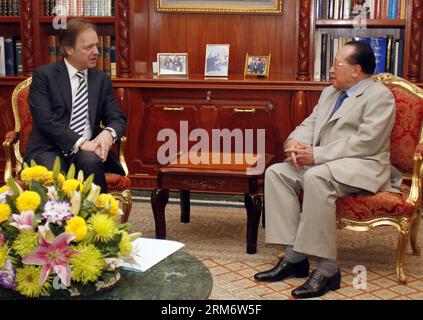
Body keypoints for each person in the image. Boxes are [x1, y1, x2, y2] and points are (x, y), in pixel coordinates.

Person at [253, 41, 401, 299]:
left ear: (356, 70)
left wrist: (316, 155)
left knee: (315, 176)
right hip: (326, 162)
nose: (331, 69)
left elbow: (366, 142)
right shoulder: (330, 93)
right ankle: (295, 257)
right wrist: (294, 144)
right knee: (278, 173)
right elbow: (308, 124)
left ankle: (328, 269)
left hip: (363, 165)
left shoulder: (380, 96)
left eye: (336, 63)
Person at [25, 18, 126, 192]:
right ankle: (57, 219)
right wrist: (79, 142)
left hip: (88, 150)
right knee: (52, 174)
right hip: (49, 148)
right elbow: (45, 120)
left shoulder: (101, 79)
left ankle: (97, 217)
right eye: (88, 47)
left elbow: (116, 117)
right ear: (68, 49)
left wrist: (108, 133)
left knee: (91, 162)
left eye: (96, 45)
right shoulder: (44, 76)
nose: (96, 51)